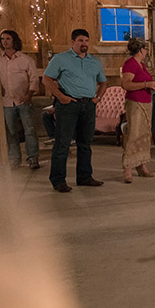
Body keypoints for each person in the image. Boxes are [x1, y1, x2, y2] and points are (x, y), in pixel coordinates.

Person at [41, 28, 107, 193]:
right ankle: (58, 180)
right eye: (80, 41)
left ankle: (85, 177)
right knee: (62, 143)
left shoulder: (94, 62)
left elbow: (103, 82)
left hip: (88, 105)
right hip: (68, 105)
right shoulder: (61, 59)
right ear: (72, 42)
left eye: (86, 41)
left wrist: (97, 98)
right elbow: (46, 79)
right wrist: (61, 97)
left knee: (85, 143)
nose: (84, 44)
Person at [0, 29, 40, 169]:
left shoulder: (25, 60)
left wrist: (29, 95)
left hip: (23, 100)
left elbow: (34, 79)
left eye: (8, 39)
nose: (5, 41)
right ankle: (14, 158)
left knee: (29, 130)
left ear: (14, 40)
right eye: (3, 39)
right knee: (11, 131)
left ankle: (33, 157)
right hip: (7, 101)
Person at [120, 39, 155, 183]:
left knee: (144, 134)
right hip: (135, 103)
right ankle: (127, 167)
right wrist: (146, 84)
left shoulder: (142, 65)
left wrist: (150, 86)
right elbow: (126, 84)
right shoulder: (130, 64)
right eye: (145, 50)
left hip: (146, 101)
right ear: (141, 50)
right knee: (134, 134)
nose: (146, 53)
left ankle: (142, 164)